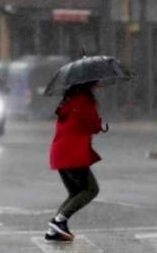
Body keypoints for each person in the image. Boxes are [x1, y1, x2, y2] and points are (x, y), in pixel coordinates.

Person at [45, 81, 105, 242]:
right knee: (90, 189)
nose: (97, 86)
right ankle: (59, 220)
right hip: (72, 153)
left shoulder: (68, 100)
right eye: (95, 84)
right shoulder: (84, 101)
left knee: (75, 192)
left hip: (60, 152)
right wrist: (100, 124)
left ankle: (54, 230)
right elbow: (92, 125)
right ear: (88, 85)